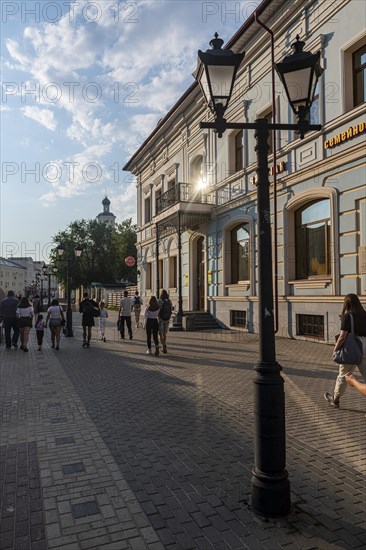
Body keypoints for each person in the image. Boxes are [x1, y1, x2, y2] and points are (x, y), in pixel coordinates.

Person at [324, 294, 366, 408]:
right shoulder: (364, 314)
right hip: (365, 347)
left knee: (343, 375)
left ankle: (335, 400)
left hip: (352, 348)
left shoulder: (348, 316)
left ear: (346, 304)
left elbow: (342, 337)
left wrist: (335, 349)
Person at [158, 289, 172, 354]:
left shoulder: (159, 301)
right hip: (167, 319)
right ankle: (164, 345)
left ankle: (164, 346)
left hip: (161, 319)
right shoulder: (169, 301)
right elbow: (171, 310)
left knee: (160, 334)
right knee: (164, 334)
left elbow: (158, 310)